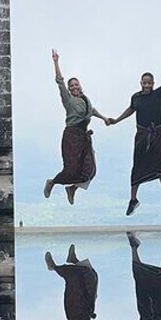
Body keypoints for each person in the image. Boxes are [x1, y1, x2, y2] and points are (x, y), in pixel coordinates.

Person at [108, 48, 161, 216]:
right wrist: (116, 120)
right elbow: (131, 110)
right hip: (141, 136)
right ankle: (133, 200)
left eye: (149, 83)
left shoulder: (159, 94)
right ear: (140, 83)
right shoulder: (136, 97)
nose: (146, 85)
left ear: (153, 84)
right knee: (137, 166)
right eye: (144, 82)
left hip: (157, 135)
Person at [44, 50, 111, 205]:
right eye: (71, 85)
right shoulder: (68, 100)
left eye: (76, 84)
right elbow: (60, 81)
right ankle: (52, 182)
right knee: (72, 169)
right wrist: (56, 62)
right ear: (69, 89)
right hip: (72, 136)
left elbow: (92, 111)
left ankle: (72, 189)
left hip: (84, 137)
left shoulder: (86, 99)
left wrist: (104, 118)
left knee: (90, 169)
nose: (74, 87)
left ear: (80, 86)